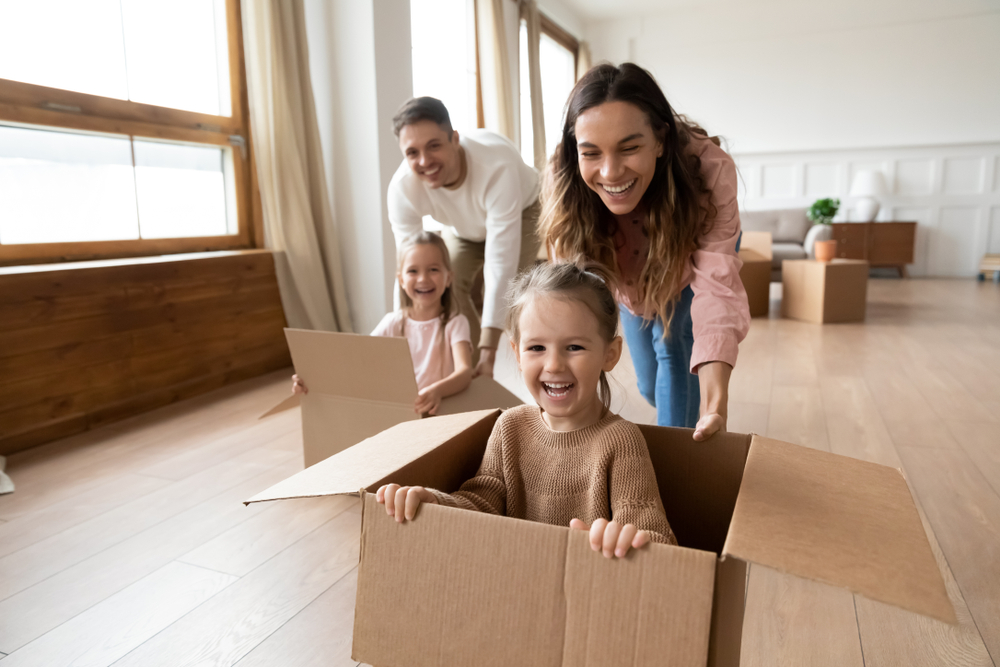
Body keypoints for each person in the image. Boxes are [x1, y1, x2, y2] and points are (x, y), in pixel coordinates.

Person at [376, 262, 677, 559]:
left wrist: (624, 541)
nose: (554, 365)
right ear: (517, 353)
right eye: (536, 348)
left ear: (609, 355)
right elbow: (482, 503)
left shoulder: (621, 442)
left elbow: (659, 540)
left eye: (574, 347)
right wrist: (435, 503)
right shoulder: (510, 427)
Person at [538, 63, 750, 439]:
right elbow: (567, 291)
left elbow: (717, 291)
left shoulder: (709, 170)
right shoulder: (565, 175)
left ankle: (678, 461)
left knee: (673, 352)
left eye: (630, 148)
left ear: (661, 140)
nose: (611, 172)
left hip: (687, 269)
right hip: (628, 283)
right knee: (651, 386)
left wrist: (715, 405)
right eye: (591, 153)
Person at [387, 96, 541, 380]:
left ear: (454, 139)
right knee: (445, 282)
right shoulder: (401, 190)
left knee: (512, 297)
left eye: (434, 145)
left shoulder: (496, 166)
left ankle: (517, 368)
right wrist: (402, 341)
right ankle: (466, 374)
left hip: (523, 209)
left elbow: (500, 262)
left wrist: (489, 351)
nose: (424, 161)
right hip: (462, 227)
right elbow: (408, 269)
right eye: (412, 153)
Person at [293, 231, 472, 416]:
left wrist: (437, 391)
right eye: (413, 271)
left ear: (449, 277)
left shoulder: (455, 323)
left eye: (433, 269)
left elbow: (465, 372)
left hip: (440, 415)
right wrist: (312, 379)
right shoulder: (392, 323)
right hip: (399, 414)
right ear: (401, 280)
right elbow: (356, 358)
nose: (422, 279)